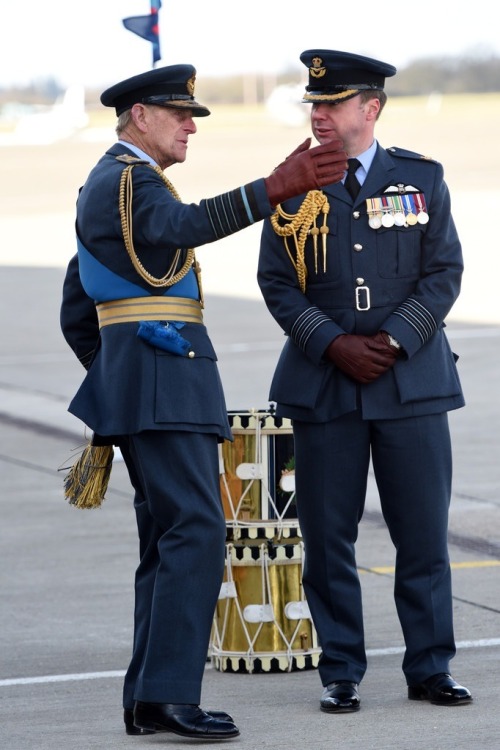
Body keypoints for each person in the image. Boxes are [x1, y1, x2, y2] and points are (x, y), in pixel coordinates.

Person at [59, 63, 347, 740]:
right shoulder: (126, 182)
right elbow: (184, 225)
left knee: (168, 540)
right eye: (180, 113)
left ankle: (148, 698)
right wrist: (274, 189)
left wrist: (117, 378)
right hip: (166, 388)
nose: (191, 126)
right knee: (195, 533)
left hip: (152, 387)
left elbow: (79, 310)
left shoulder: (115, 187)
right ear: (140, 117)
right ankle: (166, 698)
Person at [257, 49, 472, 713]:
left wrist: (394, 338)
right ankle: (340, 670)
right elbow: (276, 283)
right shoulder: (291, 183)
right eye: (313, 105)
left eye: (331, 104)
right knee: (326, 540)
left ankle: (430, 667)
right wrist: (334, 344)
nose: (318, 115)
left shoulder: (420, 178)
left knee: (423, 536)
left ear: (369, 109)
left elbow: (444, 273)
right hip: (325, 387)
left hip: (410, 385)